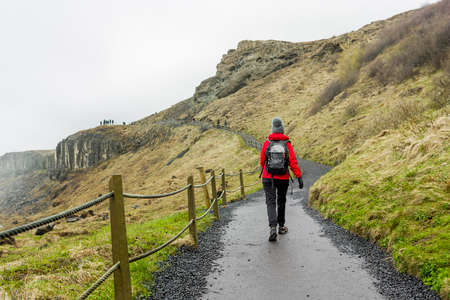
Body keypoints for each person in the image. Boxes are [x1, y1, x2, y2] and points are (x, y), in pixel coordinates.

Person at [260, 117, 303, 242]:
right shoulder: (287, 144)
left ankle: (272, 228)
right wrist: (299, 177)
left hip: (268, 177)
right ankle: (281, 227)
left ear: (273, 129)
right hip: (283, 177)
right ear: (282, 130)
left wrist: (267, 170)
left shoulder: (267, 143)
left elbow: (262, 161)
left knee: (270, 202)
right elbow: (293, 162)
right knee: (281, 201)